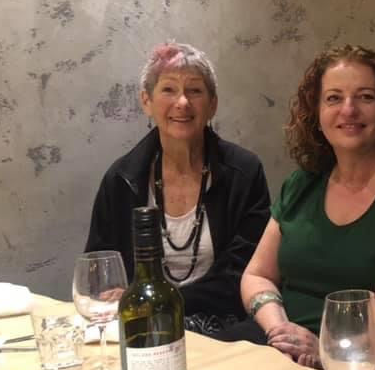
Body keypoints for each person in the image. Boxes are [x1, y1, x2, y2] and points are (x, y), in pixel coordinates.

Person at [238, 45, 375, 367]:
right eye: (333, 98)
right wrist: (280, 330)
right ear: (316, 114)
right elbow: (257, 275)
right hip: (275, 348)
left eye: (366, 97)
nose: (349, 109)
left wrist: (328, 351)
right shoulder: (301, 184)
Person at [86, 42, 271, 334]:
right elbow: (100, 271)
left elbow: (243, 273)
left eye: (195, 90)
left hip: (223, 326)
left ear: (212, 104)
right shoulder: (121, 179)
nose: (182, 102)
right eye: (169, 89)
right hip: (143, 328)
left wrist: (157, 303)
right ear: (146, 101)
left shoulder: (244, 173)